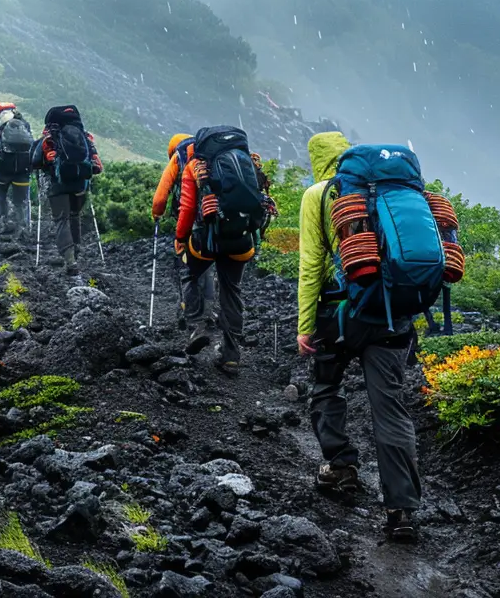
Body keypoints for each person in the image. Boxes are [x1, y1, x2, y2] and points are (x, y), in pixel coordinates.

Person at [295, 131, 422, 543]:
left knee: (326, 387)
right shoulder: (395, 191)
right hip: (392, 316)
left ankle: (342, 467)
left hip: (340, 315)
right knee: (390, 409)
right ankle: (401, 510)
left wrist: (304, 325)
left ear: (318, 158)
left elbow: (311, 264)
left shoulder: (319, 193)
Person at [174, 126, 274, 374]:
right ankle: (231, 354)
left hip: (206, 240)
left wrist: (180, 237)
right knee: (231, 290)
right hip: (240, 239)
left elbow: (186, 209)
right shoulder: (249, 163)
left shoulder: (196, 166)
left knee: (192, 275)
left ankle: (198, 327)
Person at [153, 133, 218, 321]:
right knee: (208, 261)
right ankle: (209, 309)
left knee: (188, 265)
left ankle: (191, 314)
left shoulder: (179, 156)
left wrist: (157, 213)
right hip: (213, 216)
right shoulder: (210, 155)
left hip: (190, 222)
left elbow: (161, 197)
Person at [31, 105, 103, 276]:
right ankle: (76, 250)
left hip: (58, 187)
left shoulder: (50, 138)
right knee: (74, 216)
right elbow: (98, 167)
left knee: (61, 220)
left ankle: (70, 261)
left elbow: (34, 162)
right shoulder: (85, 138)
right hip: (80, 186)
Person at [0, 103, 32, 232]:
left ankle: (2, 224)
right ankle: (24, 228)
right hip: (23, 170)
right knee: (21, 201)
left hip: (2, 170)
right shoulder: (24, 124)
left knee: (1, 198)